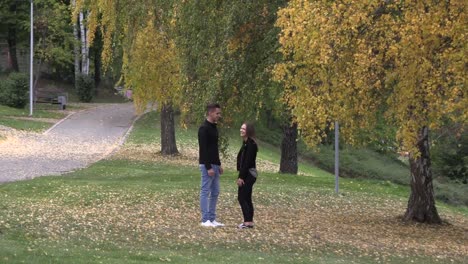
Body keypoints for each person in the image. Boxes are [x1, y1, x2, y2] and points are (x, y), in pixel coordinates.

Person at [198, 103, 225, 227]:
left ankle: (212, 218)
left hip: (214, 164)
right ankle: (205, 219)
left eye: (219, 113)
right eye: (217, 113)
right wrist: (208, 167)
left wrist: (218, 164)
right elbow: (203, 149)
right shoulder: (204, 128)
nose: (219, 115)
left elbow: (214, 148)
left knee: (215, 191)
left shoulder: (214, 127)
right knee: (205, 191)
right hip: (206, 165)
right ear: (210, 113)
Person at [236, 122, 258, 229]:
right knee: (247, 197)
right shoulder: (245, 143)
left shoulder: (251, 144)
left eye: (243, 129)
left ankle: (247, 222)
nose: (241, 130)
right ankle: (249, 221)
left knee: (242, 197)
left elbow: (247, 162)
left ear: (248, 131)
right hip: (247, 173)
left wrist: (241, 177)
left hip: (249, 174)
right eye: (241, 128)